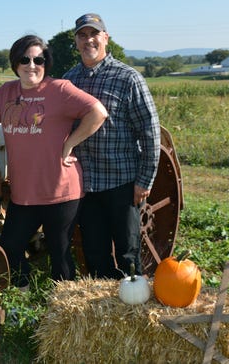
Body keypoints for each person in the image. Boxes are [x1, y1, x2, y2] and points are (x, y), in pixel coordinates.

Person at [0, 35, 107, 288]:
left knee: (59, 252)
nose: (32, 65)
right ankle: (23, 293)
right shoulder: (7, 92)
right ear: (15, 63)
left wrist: (70, 143)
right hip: (24, 192)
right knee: (11, 246)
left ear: (46, 63)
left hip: (60, 190)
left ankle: (61, 310)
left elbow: (97, 112)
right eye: (25, 59)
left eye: (39, 59)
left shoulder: (60, 89)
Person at [63, 13, 161, 279]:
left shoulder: (128, 78)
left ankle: (133, 306)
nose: (88, 40)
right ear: (75, 42)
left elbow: (149, 131)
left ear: (105, 38)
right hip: (87, 184)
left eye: (94, 34)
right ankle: (104, 313)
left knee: (128, 253)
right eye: (82, 35)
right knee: (95, 254)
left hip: (122, 183)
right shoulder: (68, 81)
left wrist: (145, 180)